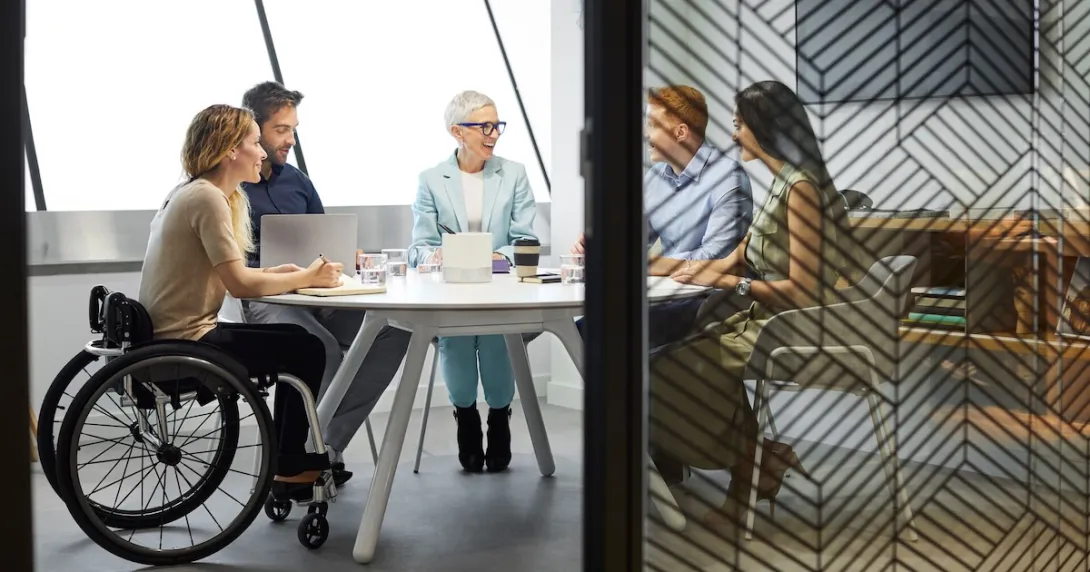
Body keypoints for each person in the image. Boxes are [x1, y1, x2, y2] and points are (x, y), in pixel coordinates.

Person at [656, 80, 861, 531]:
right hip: (768, 319)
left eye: (738, 125)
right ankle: (758, 462)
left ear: (763, 128)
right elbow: (737, 256)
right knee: (676, 354)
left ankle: (750, 469)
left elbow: (804, 289)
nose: (733, 136)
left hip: (798, 325)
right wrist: (702, 271)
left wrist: (736, 285)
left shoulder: (802, 189)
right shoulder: (782, 181)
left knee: (666, 367)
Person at [139, 103, 344, 501]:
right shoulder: (208, 199)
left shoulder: (191, 193)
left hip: (173, 332)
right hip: (189, 339)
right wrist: (307, 277)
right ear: (231, 149)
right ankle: (288, 461)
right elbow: (239, 285)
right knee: (307, 347)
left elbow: (231, 275)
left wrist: (278, 273)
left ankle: (288, 457)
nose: (263, 152)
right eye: (255, 142)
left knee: (295, 343)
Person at [238, 81, 411, 487]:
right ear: (254, 129)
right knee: (319, 346)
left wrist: (353, 256)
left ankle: (324, 447)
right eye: (282, 130)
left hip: (318, 293)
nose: (291, 140)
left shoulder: (298, 180)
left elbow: (324, 239)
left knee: (393, 330)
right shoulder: (232, 184)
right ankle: (297, 457)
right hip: (267, 298)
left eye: (293, 130)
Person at [408, 90, 537, 473]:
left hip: (499, 287)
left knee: (497, 345)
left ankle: (499, 419)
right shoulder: (431, 180)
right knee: (457, 344)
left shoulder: (513, 173)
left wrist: (501, 256)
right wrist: (436, 255)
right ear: (457, 132)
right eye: (484, 126)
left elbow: (524, 240)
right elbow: (420, 247)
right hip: (452, 289)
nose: (493, 133)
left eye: (497, 125)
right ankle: (466, 418)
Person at [573, 85, 754, 348]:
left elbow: (716, 258)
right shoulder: (655, 177)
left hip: (709, 301)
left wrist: (644, 265)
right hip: (665, 294)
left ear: (680, 132)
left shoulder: (729, 178)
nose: (646, 134)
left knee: (597, 329)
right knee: (586, 328)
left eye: (653, 125)